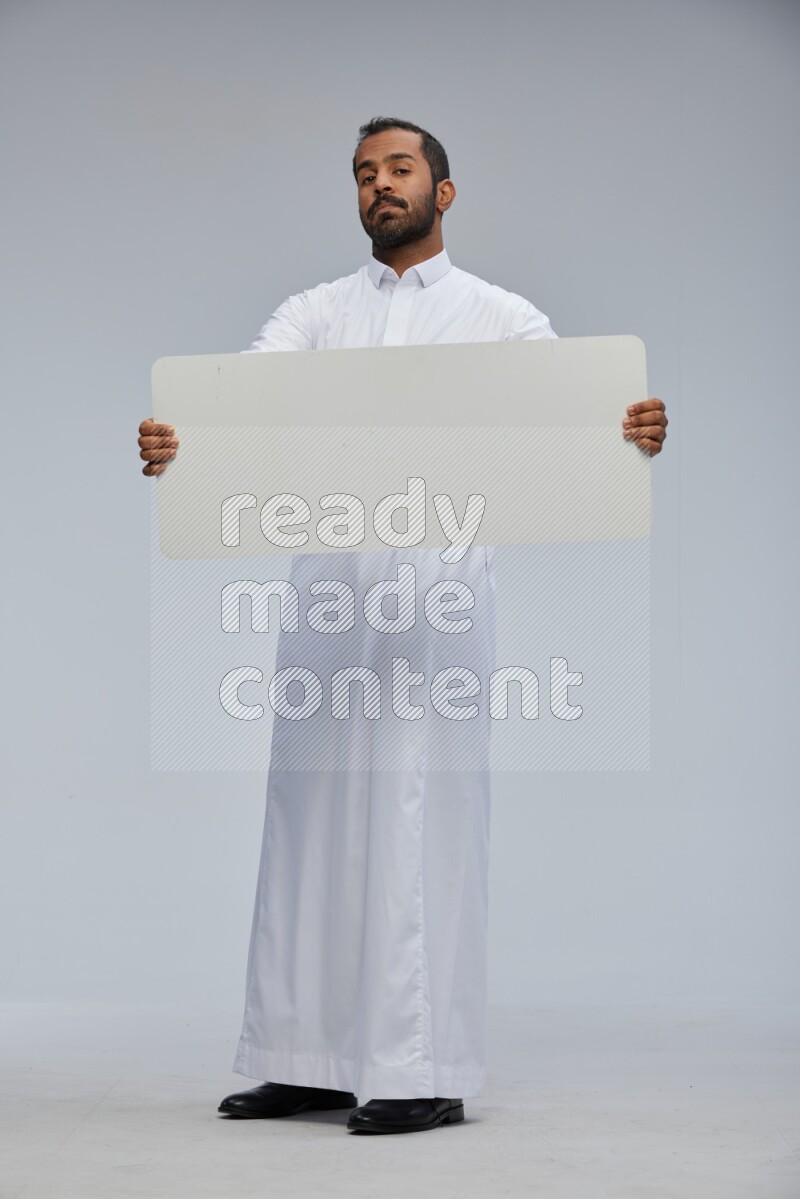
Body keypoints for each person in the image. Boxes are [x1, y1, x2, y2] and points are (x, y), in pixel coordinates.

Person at [138, 117, 668, 1136]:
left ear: (444, 191)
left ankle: (418, 1065)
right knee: (308, 819)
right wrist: (181, 439)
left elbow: (574, 414)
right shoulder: (316, 311)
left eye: (398, 168)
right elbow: (241, 403)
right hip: (330, 600)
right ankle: (303, 1056)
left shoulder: (499, 316)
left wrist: (626, 428)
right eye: (362, 174)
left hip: (436, 602)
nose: (378, 186)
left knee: (416, 821)